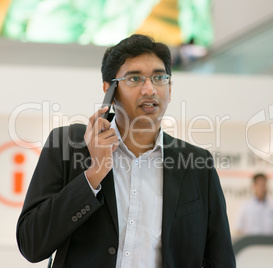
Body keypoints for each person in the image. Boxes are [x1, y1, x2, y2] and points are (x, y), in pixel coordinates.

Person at [16, 34, 235, 268]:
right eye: (135, 78)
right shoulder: (67, 144)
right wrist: (93, 175)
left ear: (169, 89)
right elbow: (32, 243)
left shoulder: (196, 163)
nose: (149, 89)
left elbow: (220, 259)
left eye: (159, 77)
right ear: (109, 90)